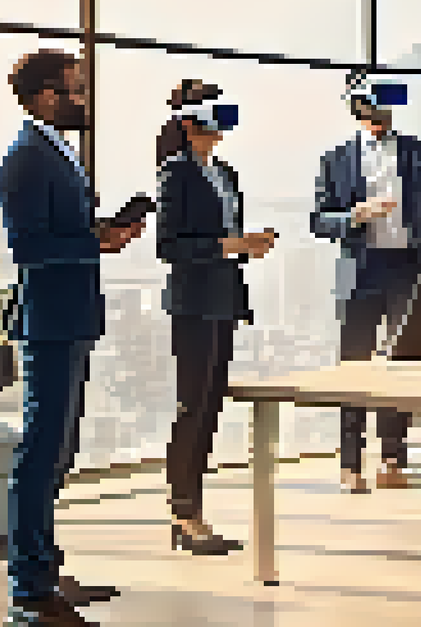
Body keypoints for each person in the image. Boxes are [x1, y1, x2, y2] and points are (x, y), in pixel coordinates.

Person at [0, 50, 143, 626]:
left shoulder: (57, 153)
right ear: (41, 96)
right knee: (40, 453)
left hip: (71, 318)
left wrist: (102, 231)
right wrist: (97, 241)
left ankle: (45, 567)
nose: (82, 99)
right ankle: (29, 588)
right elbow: (30, 249)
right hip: (50, 322)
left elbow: (63, 230)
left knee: (58, 452)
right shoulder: (26, 158)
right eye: (72, 90)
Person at [312, 75, 421, 506]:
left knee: (409, 364)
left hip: (409, 271)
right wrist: (356, 215)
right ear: (358, 107)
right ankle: (351, 463)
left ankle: (392, 459)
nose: (383, 112)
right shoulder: (335, 159)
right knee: (353, 371)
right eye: (375, 104)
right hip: (360, 271)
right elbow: (319, 220)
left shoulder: (415, 151)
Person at [156, 80, 273, 555]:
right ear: (190, 123)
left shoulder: (224, 172)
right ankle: (184, 513)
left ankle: (193, 514)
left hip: (224, 299)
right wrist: (228, 246)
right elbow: (169, 246)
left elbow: (225, 237)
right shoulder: (176, 173)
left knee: (210, 407)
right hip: (193, 303)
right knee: (192, 407)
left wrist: (247, 246)